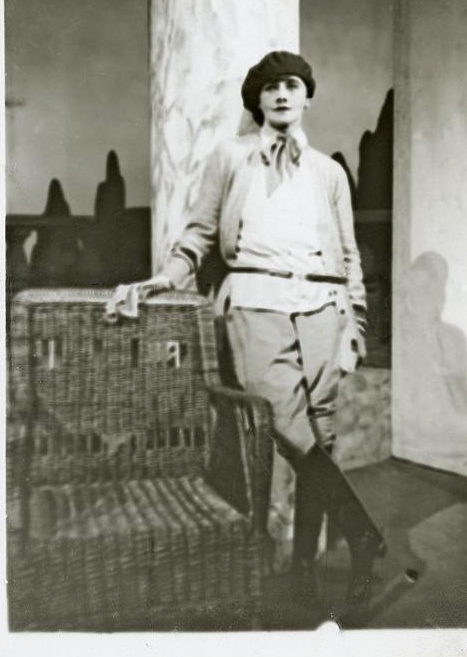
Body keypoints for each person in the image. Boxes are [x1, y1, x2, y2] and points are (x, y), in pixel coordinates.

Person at [111, 51, 385, 605]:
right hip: (256, 302)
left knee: (322, 439)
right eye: (270, 87)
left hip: (323, 307)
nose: (282, 95)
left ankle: (305, 568)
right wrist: (165, 278)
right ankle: (362, 531)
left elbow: (350, 253)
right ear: (257, 100)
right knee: (285, 423)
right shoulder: (231, 157)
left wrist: (354, 319)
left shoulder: (329, 173)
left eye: (292, 86)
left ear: (306, 97)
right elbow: (199, 235)